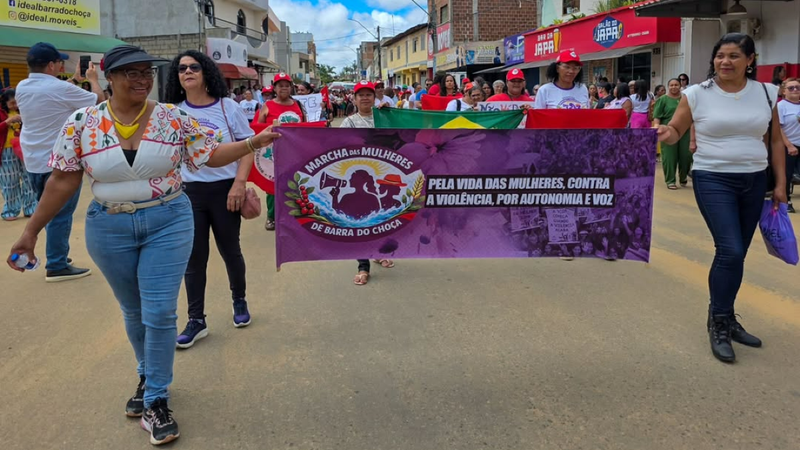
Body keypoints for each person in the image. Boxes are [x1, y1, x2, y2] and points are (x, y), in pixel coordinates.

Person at [6, 44, 280, 445]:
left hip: (168, 219)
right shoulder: (82, 122)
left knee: (159, 311)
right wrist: (31, 233)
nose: (140, 79)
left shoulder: (173, 118)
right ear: (108, 76)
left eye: (146, 73)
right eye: (130, 73)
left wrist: (254, 143)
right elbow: (62, 180)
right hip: (108, 225)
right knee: (133, 312)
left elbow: (211, 154)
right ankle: (146, 374)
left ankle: (156, 400)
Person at [656, 33, 785, 363]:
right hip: (713, 177)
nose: (725, 61)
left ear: (750, 60)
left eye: (734, 56)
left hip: (754, 180)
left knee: (738, 254)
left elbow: (774, 143)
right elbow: (675, 131)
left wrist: (780, 185)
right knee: (730, 249)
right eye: (720, 56)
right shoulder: (696, 94)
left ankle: (726, 317)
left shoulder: (767, 93)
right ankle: (717, 323)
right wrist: (662, 133)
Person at [163, 49, 256, 349]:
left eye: (194, 67)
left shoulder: (228, 108)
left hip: (226, 190)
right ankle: (196, 320)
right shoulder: (173, 110)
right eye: (181, 69)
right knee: (194, 258)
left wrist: (239, 184)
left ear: (206, 73)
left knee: (231, 251)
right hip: (189, 194)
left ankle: (239, 302)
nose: (187, 72)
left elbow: (248, 147)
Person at [15, 42, 103, 282]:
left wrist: (73, 81)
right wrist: (93, 78)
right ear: (52, 65)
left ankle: (57, 254)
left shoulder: (22, 86)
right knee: (60, 213)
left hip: (33, 160)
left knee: (48, 210)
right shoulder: (58, 88)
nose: (62, 66)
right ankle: (56, 264)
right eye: (60, 62)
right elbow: (100, 101)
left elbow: (53, 94)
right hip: (58, 163)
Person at [339, 80, 394, 285]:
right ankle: (363, 265)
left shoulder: (385, 116)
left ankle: (378, 252)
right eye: (360, 95)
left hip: (383, 173)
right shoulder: (349, 122)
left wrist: (391, 114)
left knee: (381, 216)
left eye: (368, 94)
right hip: (359, 175)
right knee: (360, 220)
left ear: (374, 97)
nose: (364, 98)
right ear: (354, 99)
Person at [257, 72, 307, 230]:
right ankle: (272, 216)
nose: (284, 88)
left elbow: (305, 126)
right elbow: (258, 128)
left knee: (295, 183)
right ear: (275, 88)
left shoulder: (297, 104)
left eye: (287, 85)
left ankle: (291, 214)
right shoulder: (268, 105)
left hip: (294, 152)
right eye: (280, 85)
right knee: (272, 185)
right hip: (272, 152)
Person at [0, 88, 37, 221]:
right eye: (12, 103)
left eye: (17, 102)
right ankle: (10, 210)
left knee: (28, 179)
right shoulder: (1, 112)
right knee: (9, 181)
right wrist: (8, 121)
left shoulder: (25, 110)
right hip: (6, 151)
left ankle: (30, 208)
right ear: (4, 102)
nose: (15, 105)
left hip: (24, 149)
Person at [653, 78, 691, 190]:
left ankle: (683, 177)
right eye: (671, 85)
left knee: (686, 155)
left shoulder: (685, 99)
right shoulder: (663, 100)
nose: (674, 87)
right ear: (668, 87)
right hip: (668, 131)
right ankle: (670, 180)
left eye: (676, 85)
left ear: (680, 86)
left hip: (685, 131)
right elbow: (657, 117)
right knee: (669, 156)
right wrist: (656, 129)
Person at [778, 78, 800, 213]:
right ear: (784, 91)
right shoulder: (781, 106)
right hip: (789, 146)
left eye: (798, 87)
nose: (795, 90)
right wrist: (789, 145)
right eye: (791, 88)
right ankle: (786, 201)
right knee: (786, 174)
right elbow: (779, 129)